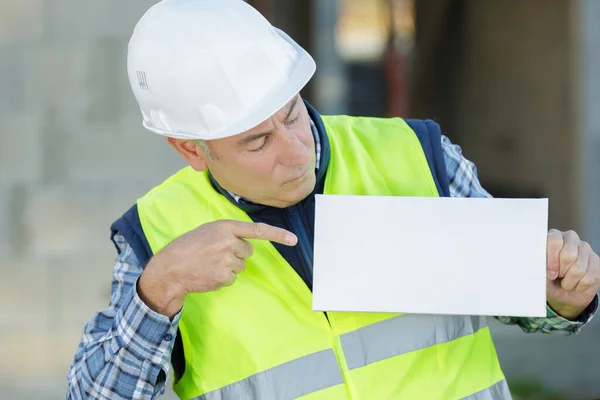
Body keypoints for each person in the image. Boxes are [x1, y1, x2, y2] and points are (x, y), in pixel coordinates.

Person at [66, 0, 600, 399]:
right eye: (257, 141)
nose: (296, 151)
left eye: (292, 112)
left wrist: (561, 294)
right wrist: (159, 291)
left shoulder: (415, 154)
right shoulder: (157, 236)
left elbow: (530, 302)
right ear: (191, 149)